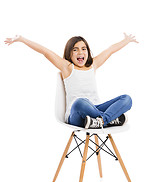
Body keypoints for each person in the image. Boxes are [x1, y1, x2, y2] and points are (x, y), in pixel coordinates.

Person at [4, 33, 138, 129]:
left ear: (88, 52)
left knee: (127, 99)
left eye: (83, 49)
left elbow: (110, 51)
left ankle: (102, 121)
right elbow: (45, 51)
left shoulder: (93, 65)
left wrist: (126, 41)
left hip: (95, 112)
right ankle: (109, 119)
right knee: (81, 102)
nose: (80, 52)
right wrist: (21, 39)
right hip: (76, 115)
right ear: (69, 54)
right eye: (75, 49)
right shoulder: (67, 67)